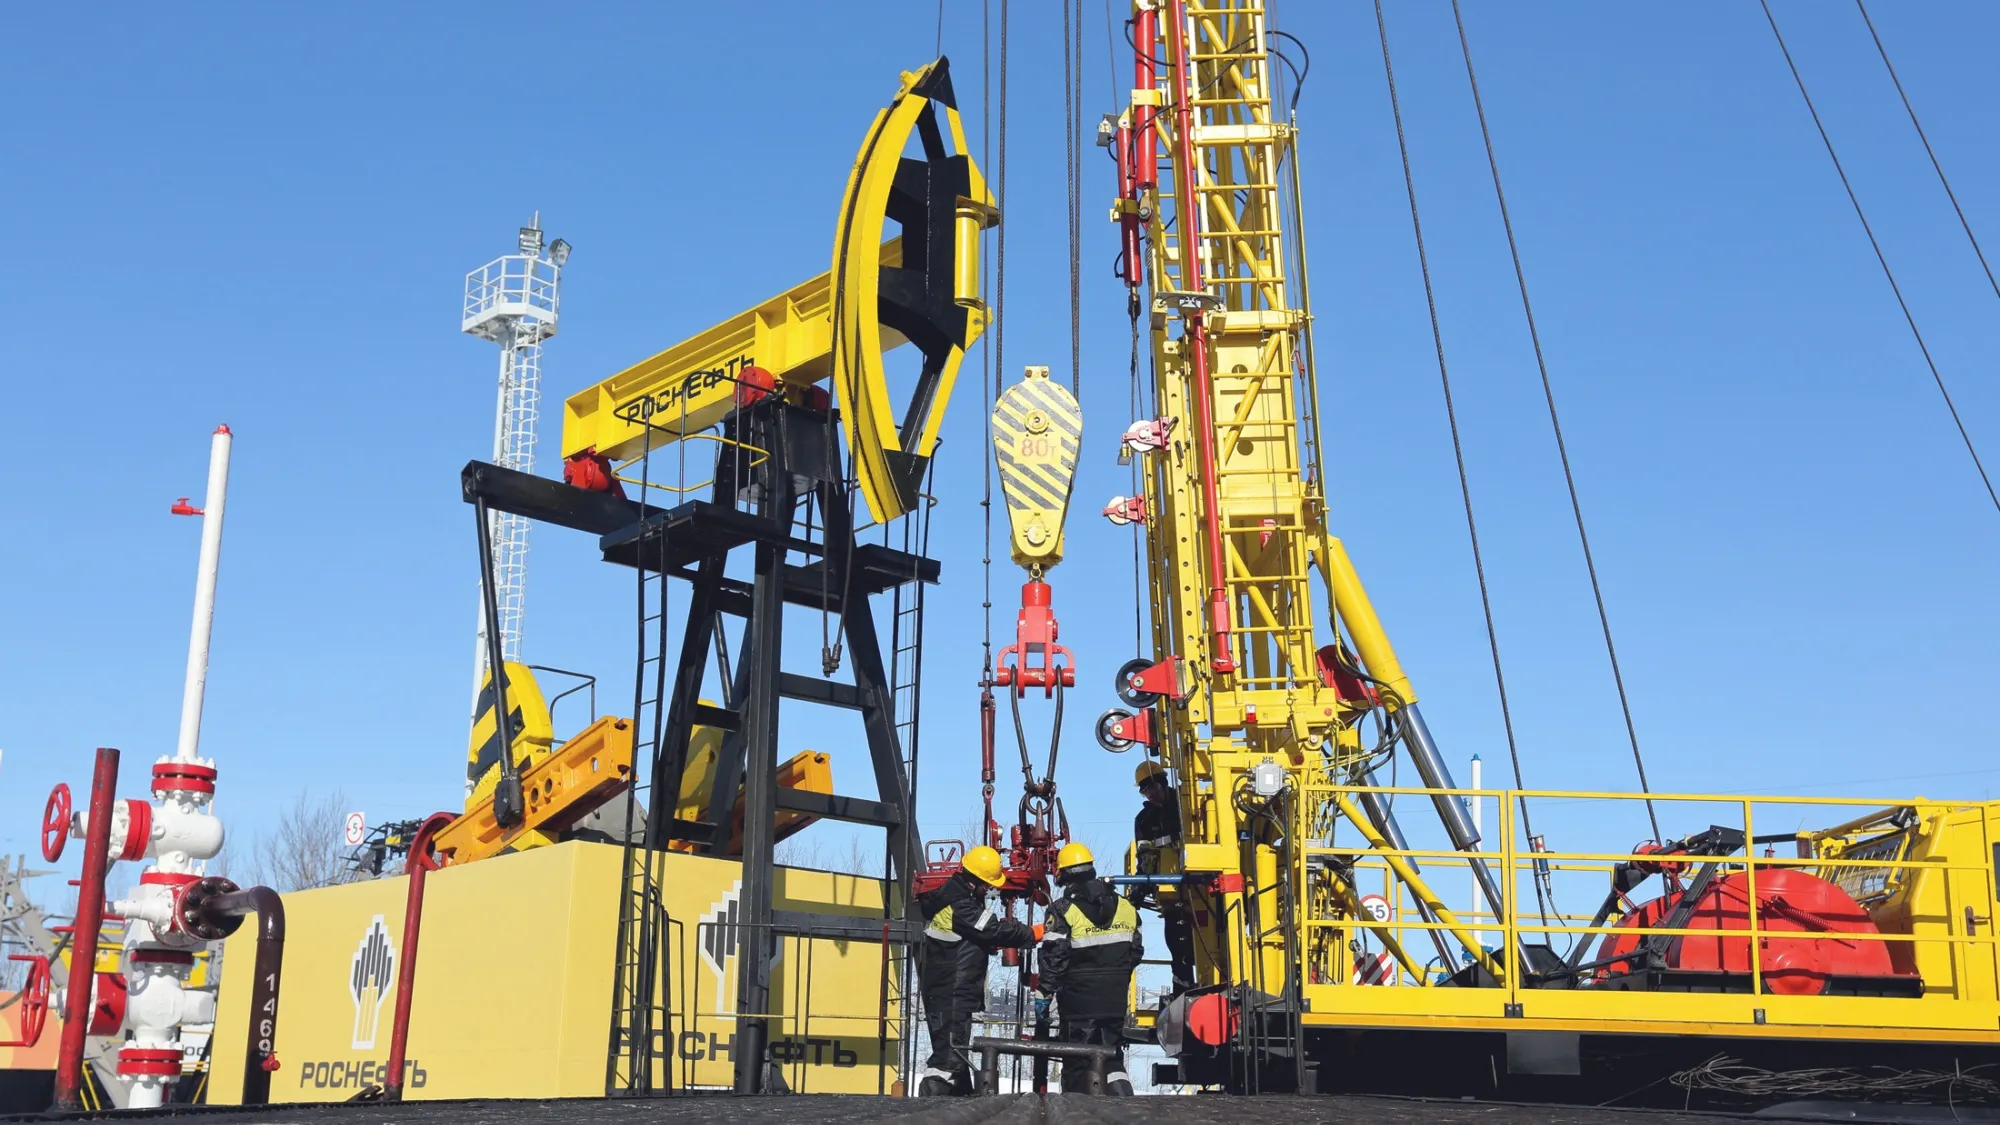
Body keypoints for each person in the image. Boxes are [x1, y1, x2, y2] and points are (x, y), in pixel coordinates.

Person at [915, 844, 1035, 1096]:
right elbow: (991, 929)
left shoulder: (954, 896)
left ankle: (959, 1099)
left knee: (955, 1054)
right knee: (948, 1058)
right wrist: (1030, 933)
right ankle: (931, 1104)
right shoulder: (960, 904)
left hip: (949, 989)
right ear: (977, 881)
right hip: (952, 990)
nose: (991, 889)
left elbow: (979, 934)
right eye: (989, 884)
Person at [1038, 842, 1141, 1094]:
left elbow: (1055, 958)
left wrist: (1044, 994)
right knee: (1111, 1056)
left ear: (1063, 873)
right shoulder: (1126, 906)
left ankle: (1075, 1113)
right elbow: (1136, 952)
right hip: (1115, 1000)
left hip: (1078, 1003)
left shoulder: (1063, 909)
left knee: (1077, 1060)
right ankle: (1123, 1104)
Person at [1133, 759, 1197, 997]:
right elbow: (1144, 856)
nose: (1150, 794)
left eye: (1153, 788)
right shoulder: (1144, 820)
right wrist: (1140, 885)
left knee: (1210, 940)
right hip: (1171, 890)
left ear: (1163, 783)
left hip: (1201, 886)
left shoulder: (1188, 804)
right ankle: (1184, 990)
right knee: (1177, 941)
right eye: (1145, 790)